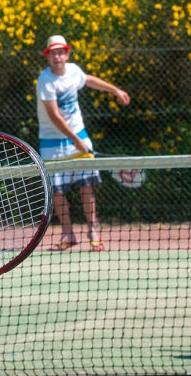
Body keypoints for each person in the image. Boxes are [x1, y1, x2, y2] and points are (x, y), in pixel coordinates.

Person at [36, 34, 130, 251]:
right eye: (53, 53)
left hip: (78, 135)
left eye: (61, 52)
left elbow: (88, 80)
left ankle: (93, 231)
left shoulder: (74, 71)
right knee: (58, 192)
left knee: (86, 186)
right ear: (48, 56)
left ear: (67, 54)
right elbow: (54, 116)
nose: (57, 57)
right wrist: (76, 140)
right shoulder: (45, 80)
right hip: (52, 142)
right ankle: (68, 234)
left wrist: (115, 90)